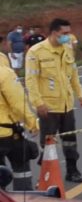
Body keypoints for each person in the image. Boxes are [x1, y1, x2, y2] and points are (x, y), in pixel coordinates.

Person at [25, 18, 82, 183]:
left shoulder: (67, 49)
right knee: (48, 144)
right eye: (64, 33)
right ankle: (46, 177)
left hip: (67, 105)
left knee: (70, 142)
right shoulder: (35, 52)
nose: (68, 37)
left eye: (69, 33)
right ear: (54, 32)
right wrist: (38, 103)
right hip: (48, 107)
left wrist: (80, 94)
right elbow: (31, 80)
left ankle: (72, 171)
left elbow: (73, 74)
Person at [0, 55, 39, 190]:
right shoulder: (5, 73)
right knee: (21, 171)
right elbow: (18, 103)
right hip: (7, 133)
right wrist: (32, 124)